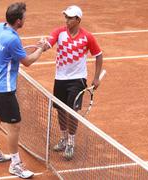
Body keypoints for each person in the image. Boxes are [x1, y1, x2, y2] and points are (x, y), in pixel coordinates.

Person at [0, 2, 45, 179]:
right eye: (24, 17)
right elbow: (28, 61)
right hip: (5, 88)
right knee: (14, 125)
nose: (25, 19)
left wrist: (4, 58)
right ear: (18, 21)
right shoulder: (13, 39)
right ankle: (16, 165)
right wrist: (41, 48)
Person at [43, 5, 103, 160]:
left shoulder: (87, 37)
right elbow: (49, 42)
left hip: (77, 79)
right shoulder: (59, 32)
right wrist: (43, 45)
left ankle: (71, 142)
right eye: (66, 17)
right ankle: (63, 138)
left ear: (78, 20)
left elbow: (99, 55)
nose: (67, 20)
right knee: (61, 110)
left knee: (72, 112)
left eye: (70, 17)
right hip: (60, 78)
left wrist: (96, 78)